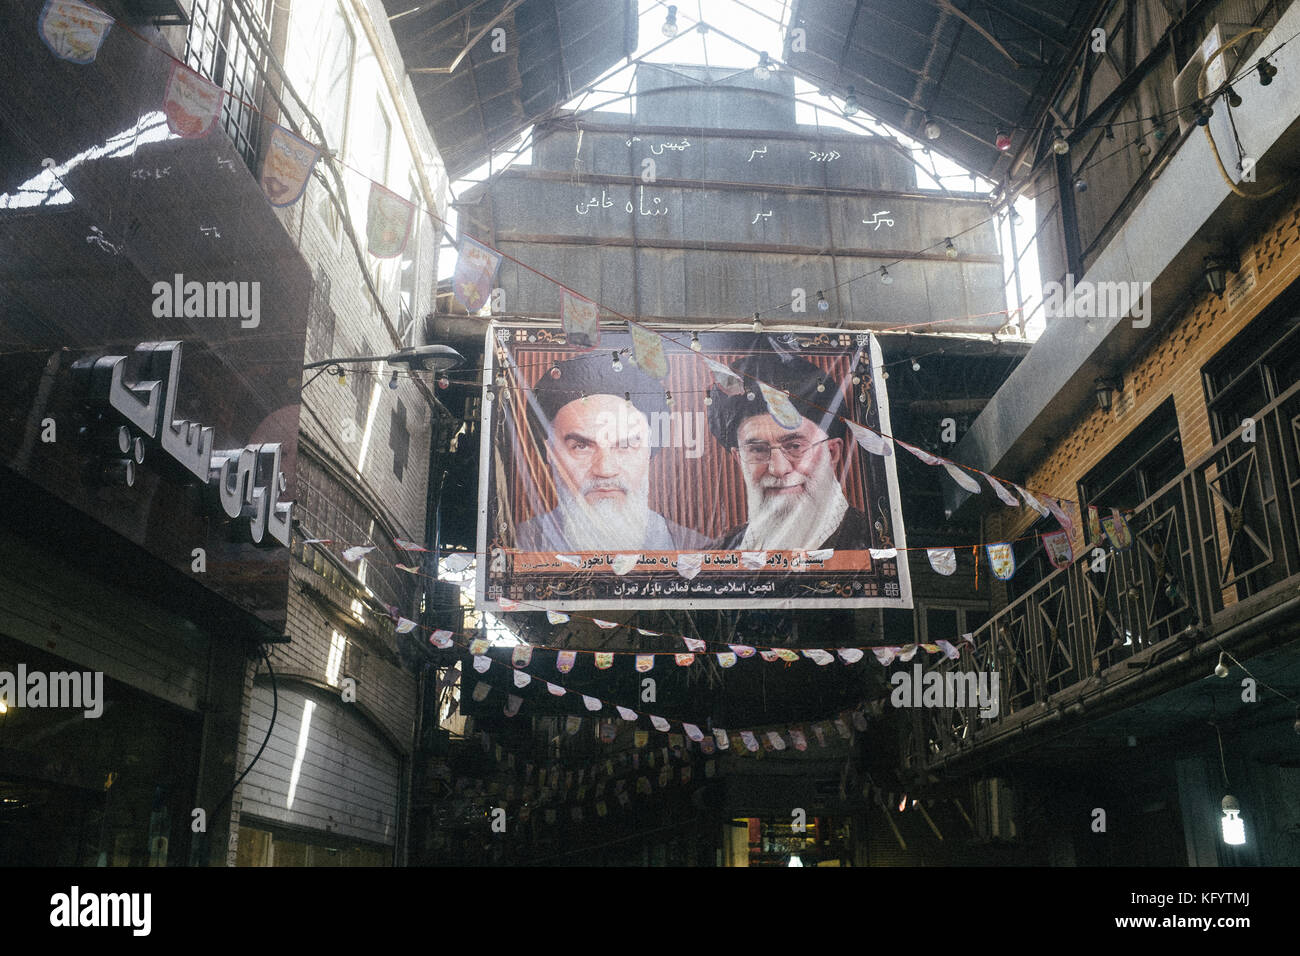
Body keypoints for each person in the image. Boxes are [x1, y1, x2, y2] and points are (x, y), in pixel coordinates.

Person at [516, 356, 707, 552]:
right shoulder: (517, 545)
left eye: (625, 445)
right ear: (551, 452)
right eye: (581, 446)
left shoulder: (697, 549)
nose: (605, 470)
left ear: (649, 450)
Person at [706, 351, 873, 550]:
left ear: (832, 452)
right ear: (738, 458)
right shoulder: (723, 551)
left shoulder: (872, 542)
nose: (778, 469)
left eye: (795, 446)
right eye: (758, 450)